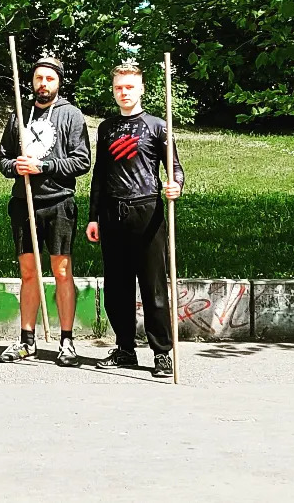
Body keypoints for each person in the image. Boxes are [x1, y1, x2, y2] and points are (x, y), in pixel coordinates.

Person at [87, 63, 184, 378]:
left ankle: (162, 353)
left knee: (153, 286)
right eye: (118, 87)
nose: (123, 92)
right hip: (113, 213)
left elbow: (176, 168)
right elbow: (99, 176)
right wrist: (93, 217)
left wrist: (175, 185)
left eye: (129, 87)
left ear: (141, 89)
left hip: (147, 212)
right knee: (117, 287)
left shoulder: (158, 126)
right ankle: (125, 348)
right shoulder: (106, 128)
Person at [0, 57, 91, 367]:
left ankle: (66, 341)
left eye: (49, 79)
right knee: (28, 272)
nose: (43, 84)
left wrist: (44, 166)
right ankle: (26, 340)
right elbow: (4, 159)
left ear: (58, 82)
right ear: (33, 81)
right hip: (24, 203)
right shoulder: (19, 115)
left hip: (59, 202)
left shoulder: (71, 116)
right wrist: (16, 166)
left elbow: (81, 161)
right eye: (39, 78)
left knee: (61, 271)